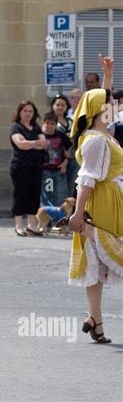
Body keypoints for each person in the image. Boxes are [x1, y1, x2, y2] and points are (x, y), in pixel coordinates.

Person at [68, 68, 122, 344]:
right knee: (105, 253)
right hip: (103, 202)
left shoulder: (102, 133)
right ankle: (94, 319)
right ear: (101, 110)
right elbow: (87, 179)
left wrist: (107, 77)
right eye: (110, 106)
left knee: (95, 263)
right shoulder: (97, 140)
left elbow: (102, 99)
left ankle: (95, 320)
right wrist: (78, 214)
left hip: (108, 199)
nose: (114, 107)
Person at [10, 101, 49, 237]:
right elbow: (20, 144)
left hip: (36, 166)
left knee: (34, 194)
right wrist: (35, 143)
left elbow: (43, 145)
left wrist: (30, 143)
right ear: (20, 112)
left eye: (30, 111)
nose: (28, 113)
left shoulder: (37, 128)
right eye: (25, 110)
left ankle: (32, 225)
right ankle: (19, 225)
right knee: (21, 194)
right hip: (20, 166)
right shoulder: (16, 127)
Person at [41, 112, 72, 207]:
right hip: (46, 171)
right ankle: (47, 219)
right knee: (48, 194)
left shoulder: (61, 135)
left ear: (56, 125)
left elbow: (70, 148)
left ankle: (60, 219)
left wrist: (65, 162)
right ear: (44, 124)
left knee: (61, 195)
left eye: (52, 123)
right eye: (47, 123)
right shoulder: (40, 136)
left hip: (59, 170)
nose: (49, 126)